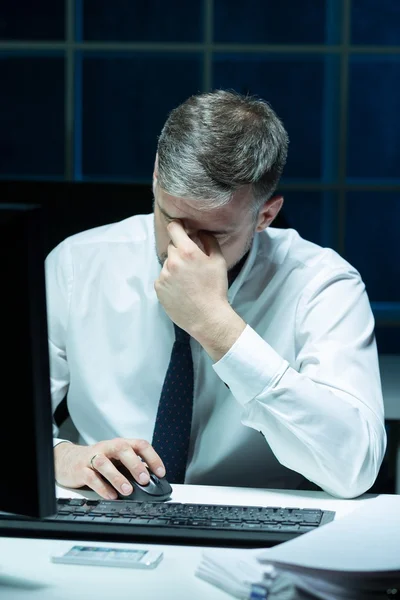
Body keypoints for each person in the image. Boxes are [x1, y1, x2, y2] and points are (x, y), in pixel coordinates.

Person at [47, 90, 386, 501]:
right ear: (156, 178)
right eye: (170, 217)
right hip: (105, 512)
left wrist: (217, 326)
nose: (182, 247)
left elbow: (354, 469)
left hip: (255, 534)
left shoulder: (321, 284)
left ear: (266, 215)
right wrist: (61, 456)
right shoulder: (75, 265)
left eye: (214, 233)